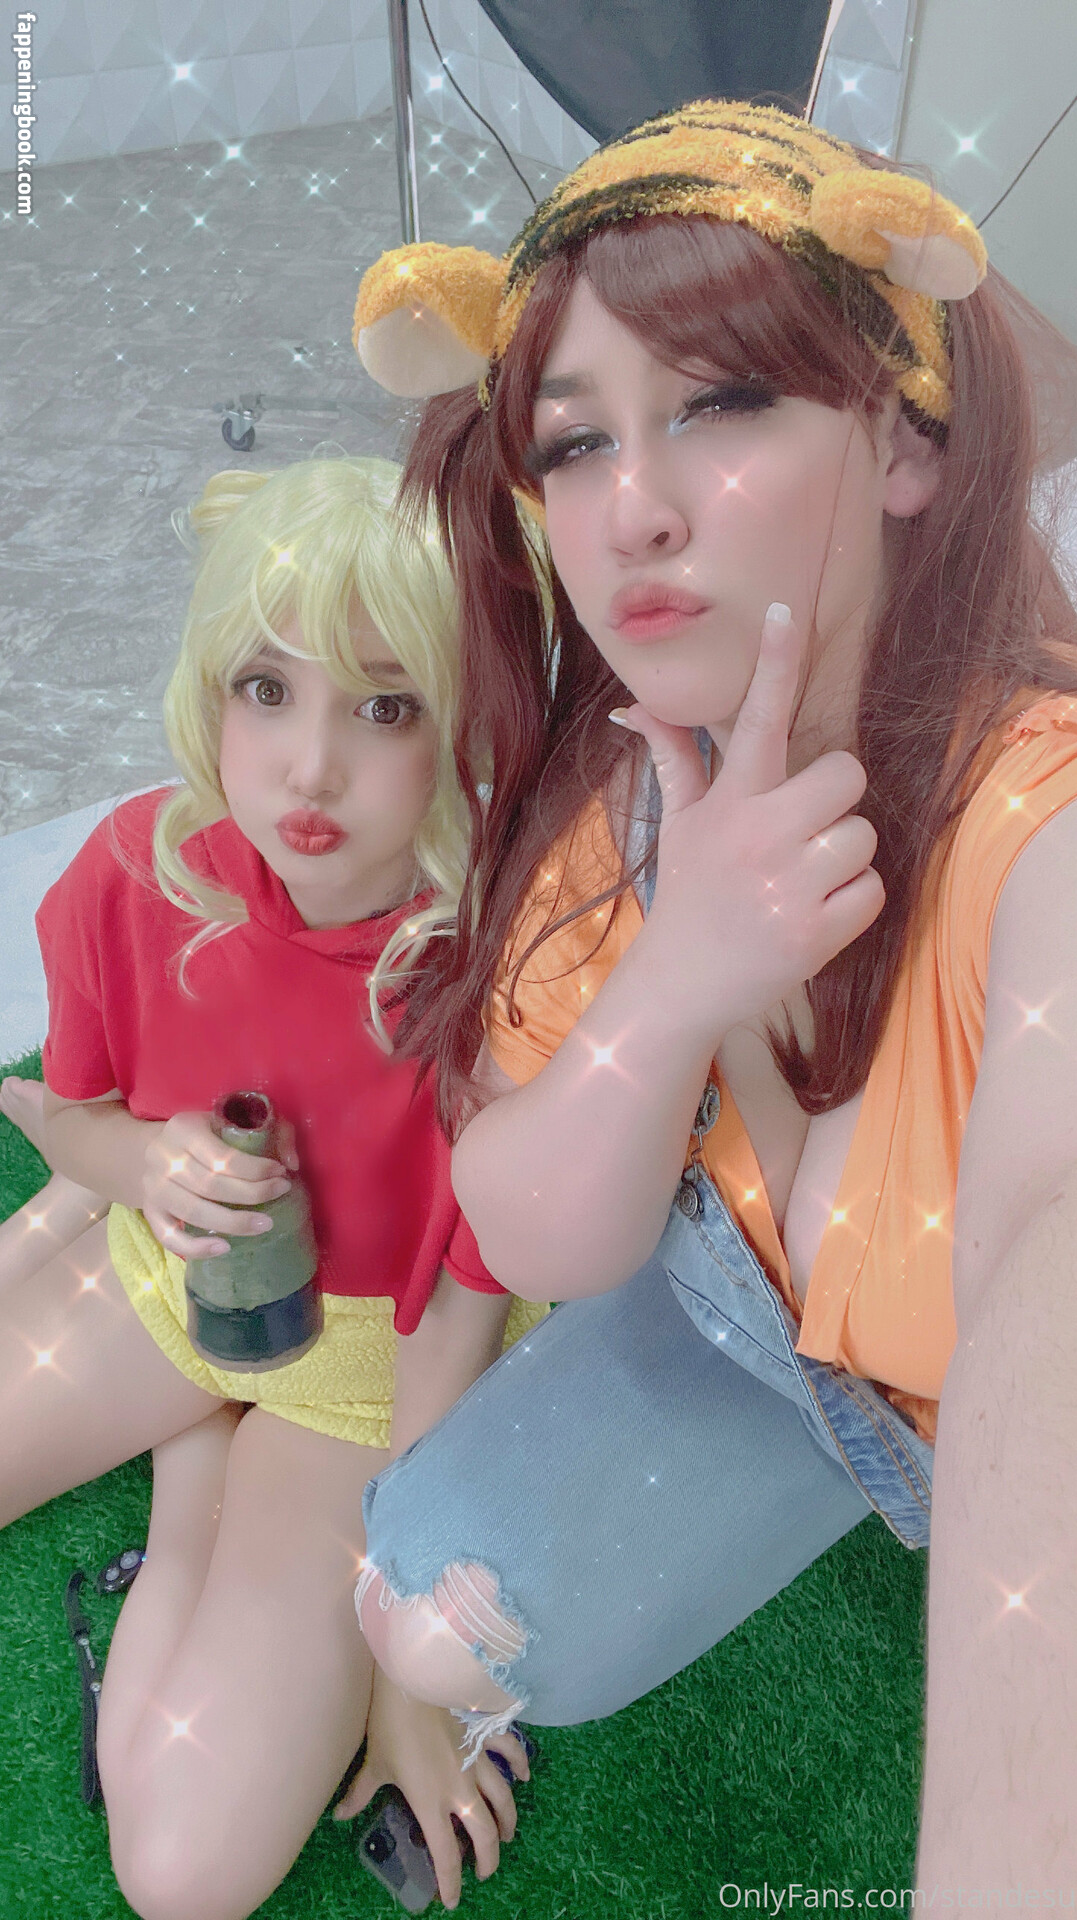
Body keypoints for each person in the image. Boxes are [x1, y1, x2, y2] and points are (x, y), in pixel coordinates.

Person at [338, 103, 1077, 1882]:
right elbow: (531, 1231)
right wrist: (677, 988)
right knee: (427, 1614)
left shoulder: (1043, 822)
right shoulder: (618, 803)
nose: (634, 510)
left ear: (905, 441)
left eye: (724, 403)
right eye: (576, 443)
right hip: (750, 1332)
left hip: (951, 1387)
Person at [0, 454, 543, 1918]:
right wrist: (134, 1165)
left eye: (386, 706)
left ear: (466, 723)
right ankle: (178, 1391)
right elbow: (79, 1112)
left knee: (183, 1876)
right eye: (266, 688)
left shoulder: (498, 967)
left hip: (376, 1376)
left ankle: (199, 1465)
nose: (309, 768)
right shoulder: (135, 870)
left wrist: (407, 1668)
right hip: (173, 1274)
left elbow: (463, 1312)